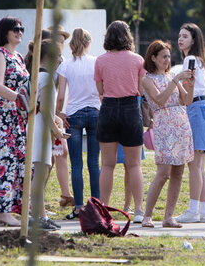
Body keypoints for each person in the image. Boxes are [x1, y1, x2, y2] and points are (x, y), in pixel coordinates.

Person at [94, 21, 146, 222]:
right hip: (130, 108)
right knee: (134, 165)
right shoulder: (137, 60)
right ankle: (139, 210)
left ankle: (103, 209)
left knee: (107, 164)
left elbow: (100, 90)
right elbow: (141, 90)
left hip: (108, 108)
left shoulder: (100, 60)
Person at [141, 40, 194, 228]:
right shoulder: (147, 79)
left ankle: (168, 217)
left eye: (169, 56)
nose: (167, 59)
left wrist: (190, 84)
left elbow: (186, 100)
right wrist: (175, 80)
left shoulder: (171, 76)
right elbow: (160, 100)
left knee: (178, 172)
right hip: (164, 125)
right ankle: (147, 215)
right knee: (163, 173)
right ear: (153, 58)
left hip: (180, 123)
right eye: (164, 56)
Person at [0, 17, 28, 227]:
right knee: (4, 161)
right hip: (1, 117)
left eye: (21, 29)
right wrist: (20, 99)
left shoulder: (18, 56)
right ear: (5, 32)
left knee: (14, 162)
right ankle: (2, 211)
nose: (19, 32)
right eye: (15, 29)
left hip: (16, 117)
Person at [56, 28, 101, 220]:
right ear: (89, 43)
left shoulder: (66, 65)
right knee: (94, 163)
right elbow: (102, 90)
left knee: (76, 164)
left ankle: (79, 207)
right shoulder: (96, 62)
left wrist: (60, 113)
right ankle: (97, 206)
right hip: (95, 111)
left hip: (73, 114)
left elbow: (60, 96)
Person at [174, 23, 205, 223]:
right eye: (179, 36)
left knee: (195, 165)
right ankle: (204, 211)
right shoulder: (199, 60)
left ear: (194, 40)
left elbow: (188, 95)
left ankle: (193, 211)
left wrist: (175, 83)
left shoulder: (191, 60)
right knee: (200, 166)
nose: (180, 39)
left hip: (198, 110)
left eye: (185, 36)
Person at [29, 38, 70, 231]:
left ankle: (40, 214)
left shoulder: (40, 75)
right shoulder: (45, 78)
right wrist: (58, 133)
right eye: (59, 55)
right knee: (40, 172)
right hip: (40, 128)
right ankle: (38, 216)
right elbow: (45, 110)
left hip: (39, 126)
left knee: (40, 172)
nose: (61, 60)